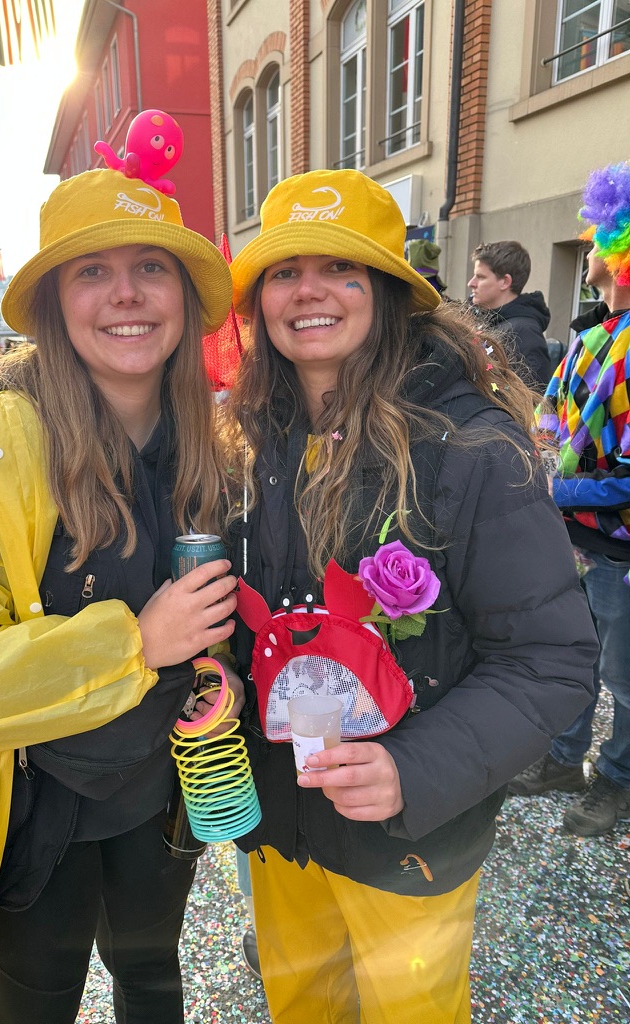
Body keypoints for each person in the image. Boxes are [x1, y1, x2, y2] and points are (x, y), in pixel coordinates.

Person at [0, 165, 241, 1024]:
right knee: (34, 1004)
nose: (126, 294)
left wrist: (224, 673)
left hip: (161, 800)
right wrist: (132, 645)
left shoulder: (211, 445)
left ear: (183, 296)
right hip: (34, 816)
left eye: (151, 267)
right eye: (92, 271)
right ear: (53, 305)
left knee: (153, 978)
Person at [224, 168, 598, 1024]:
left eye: (341, 268)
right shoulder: (247, 442)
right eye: (285, 271)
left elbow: (551, 661)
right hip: (282, 830)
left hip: (409, 842)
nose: (309, 290)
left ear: (390, 290)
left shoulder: (472, 449)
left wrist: (413, 769)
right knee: (301, 1007)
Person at [509, 161, 630, 836]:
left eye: (597, 238)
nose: (588, 247)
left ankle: (617, 778)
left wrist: (557, 486)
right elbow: (551, 419)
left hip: (618, 549)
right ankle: (563, 759)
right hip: (571, 538)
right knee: (573, 655)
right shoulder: (592, 336)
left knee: (625, 676)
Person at [468, 239, 552, 391]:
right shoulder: (489, 323)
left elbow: (532, 397)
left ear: (505, 282)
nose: (471, 283)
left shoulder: (523, 333)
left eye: (480, 277)